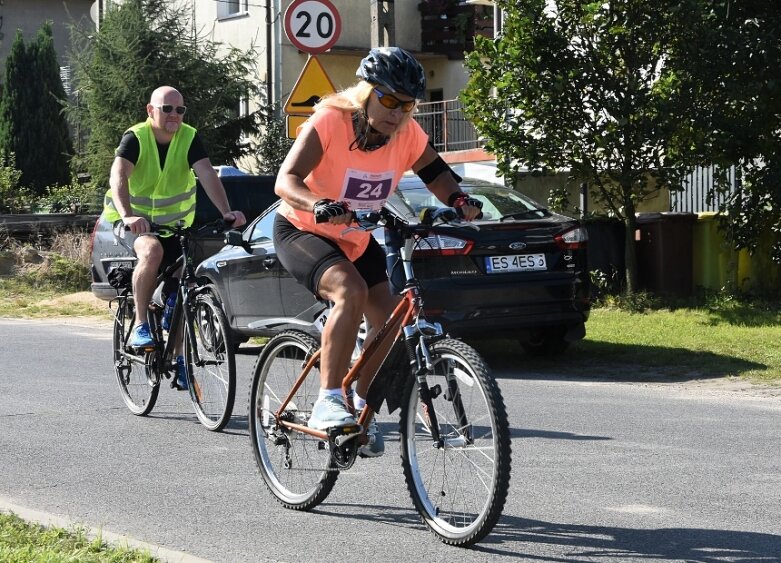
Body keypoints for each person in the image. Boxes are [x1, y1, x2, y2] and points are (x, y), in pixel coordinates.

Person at [273, 47, 482, 457]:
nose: (396, 112)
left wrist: (459, 201)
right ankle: (329, 399)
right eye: (387, 99)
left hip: (355, 237)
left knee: (386, 315)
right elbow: (286, 180)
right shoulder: (331, 121)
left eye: (406, 105)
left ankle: (359, 406)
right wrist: (317, 204)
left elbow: (436, 172)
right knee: (349, 290)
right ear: (365, 94)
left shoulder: (406, 134)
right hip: (302, 229)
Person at [104, 85, 246, 389]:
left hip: (174, 225)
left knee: (186, 283)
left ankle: (181, 358)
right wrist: (128, 214)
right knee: (152, 253)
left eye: (179, 110)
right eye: (166, 109)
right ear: (150, 110)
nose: (174, 115)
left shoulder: (189, 137)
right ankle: (141, 325)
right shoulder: (136, 138)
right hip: (133, 223)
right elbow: (118, 176)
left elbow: (207, 174)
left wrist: (226, 212)